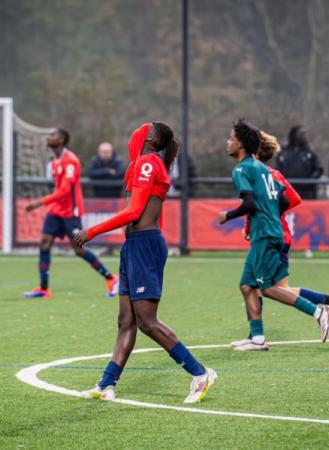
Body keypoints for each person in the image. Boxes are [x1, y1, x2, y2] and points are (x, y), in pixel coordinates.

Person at [73, 122, 216, 403]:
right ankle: (106, 384)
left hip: (143, 246)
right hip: (136, 246)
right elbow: (150, 212)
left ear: (149, 138)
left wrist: (91, 232)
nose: (133, 133)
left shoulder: (149, 162)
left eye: (139, 129)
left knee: (147, 322)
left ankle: (200, 374)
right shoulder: (142, 164)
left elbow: (135, 211)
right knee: (125, 321)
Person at [230, 129, 329, 351]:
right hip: (271, 233)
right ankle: (256, 336)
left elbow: (289, 199)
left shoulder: (266, 173)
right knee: (253, 286)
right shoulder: (263, 172)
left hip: (275, 235)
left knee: (272, 288)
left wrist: (269, 215)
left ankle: (326, 305)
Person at [23, 128, 118, 299]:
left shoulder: (71, 161)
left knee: (78, 249)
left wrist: (40, 202)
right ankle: (44, 289)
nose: (49, 137)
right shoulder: (54, 161)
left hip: (70, 212)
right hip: (55, 210)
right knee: (44, 243)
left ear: (61, 140)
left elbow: (65, 191)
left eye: (53, 135)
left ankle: (111, 279)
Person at [274, 125, 323, 200]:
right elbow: (277, 171)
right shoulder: (283, 153)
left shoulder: (310, 153)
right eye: (302, 134)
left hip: (307, 193)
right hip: (288, 192)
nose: (305, 136)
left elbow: (319, 169)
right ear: (295, 135)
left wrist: (310, 182)